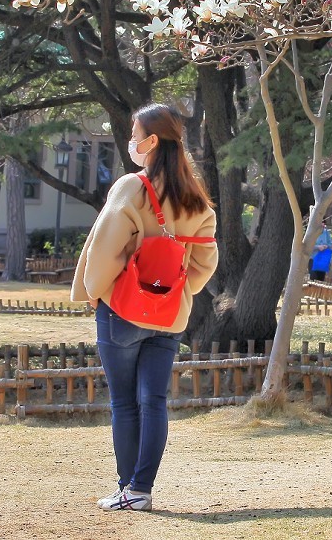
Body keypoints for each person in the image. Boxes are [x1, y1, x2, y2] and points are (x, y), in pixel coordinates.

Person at [71, 104, 218, 512]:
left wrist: (95, 291)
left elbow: (104, 249)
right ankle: (141, 490)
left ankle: (125, 487)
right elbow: (206, 262)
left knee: (123, 401)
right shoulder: (197, 200)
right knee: (153, 400)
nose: (131, 141)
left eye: (135, 134)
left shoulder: (131, 188)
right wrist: (180, 294)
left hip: (122, 312)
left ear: (152, 141)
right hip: (170, 316)